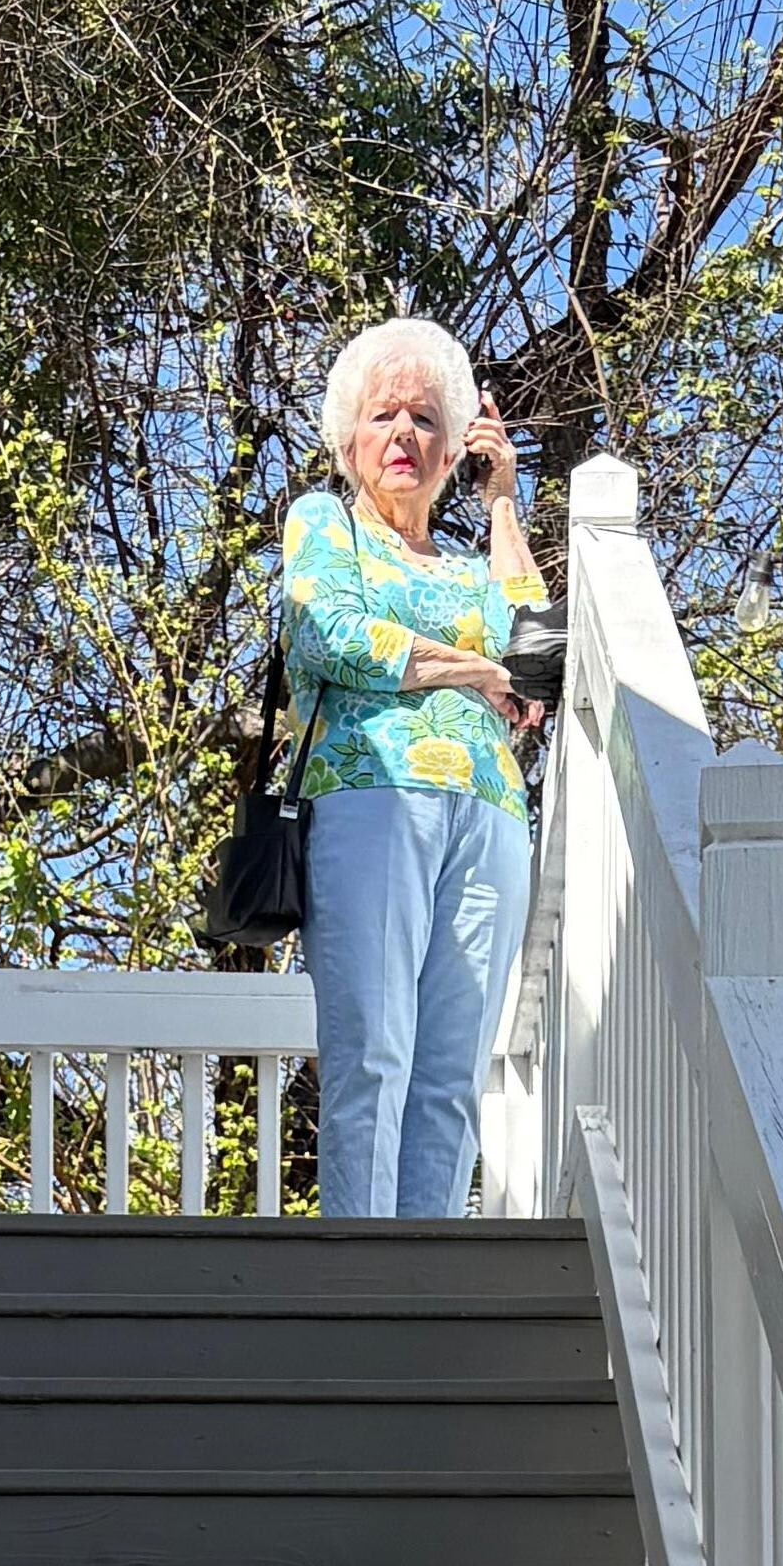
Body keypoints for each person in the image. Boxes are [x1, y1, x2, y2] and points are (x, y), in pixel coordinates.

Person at [281, 321, 541, 1218]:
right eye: (383, 415)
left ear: (452, 449)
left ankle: (429, 1273)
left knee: (452, 1071)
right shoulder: (326, 525)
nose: (403, 434)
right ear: (349, 439)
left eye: (426, 419)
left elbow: (535, 655)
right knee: (373, 1053)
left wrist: (502, 502)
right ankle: (358, 1274)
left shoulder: (471, 569)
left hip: (489, 810)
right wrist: (473, 670)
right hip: (370, 794)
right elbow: (329, 632)